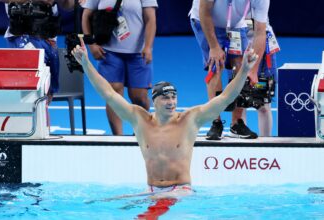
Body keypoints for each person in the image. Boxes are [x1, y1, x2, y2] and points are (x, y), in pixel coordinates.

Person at [72, 36, 259, 198]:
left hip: (181, 190)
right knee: (108, 204)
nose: (171, 102)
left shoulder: (189, 120)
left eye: (173, 97)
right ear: (154, 101)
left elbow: (226, 98)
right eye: (165, 98)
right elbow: (109, 94)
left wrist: (243, 70)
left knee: (139, 208)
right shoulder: (140, 120)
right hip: (152, 189)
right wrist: (86, 65)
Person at [189, 0, 269, 140]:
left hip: (236, 24)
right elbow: (204, 11)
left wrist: (252, 69)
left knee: (241, 68)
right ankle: (216, 122)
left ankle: (237, 123)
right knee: (215, 65)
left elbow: (260, 32)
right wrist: (214, 47)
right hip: (204, 20)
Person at [81, 0, 157, 135]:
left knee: (139, 97)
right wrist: (91, 44)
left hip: (138, 52)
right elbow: (86, 16)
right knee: (113, 94)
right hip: (108, 52)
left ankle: (140, 134)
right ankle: (118, 137)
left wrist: (148, 47)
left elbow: (150, 19)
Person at [0, 0, 79, 104]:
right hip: (23, 37)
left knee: (46, 93)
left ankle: (42, 120)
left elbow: (66, 5)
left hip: (48, 38)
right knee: (32, 92)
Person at [246, 18, 280, 136]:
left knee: (264, 105)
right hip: (238, 44)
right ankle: (239, 143)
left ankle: (266, 144)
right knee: (239, 103)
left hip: (262, 46)